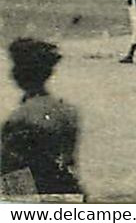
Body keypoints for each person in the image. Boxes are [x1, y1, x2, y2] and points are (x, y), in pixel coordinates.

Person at [1, 38, 81, 197]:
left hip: (34, 191)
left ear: (19, 75)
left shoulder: (21, 116)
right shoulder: (66, 110)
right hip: (65, 188)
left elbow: (12, 171)